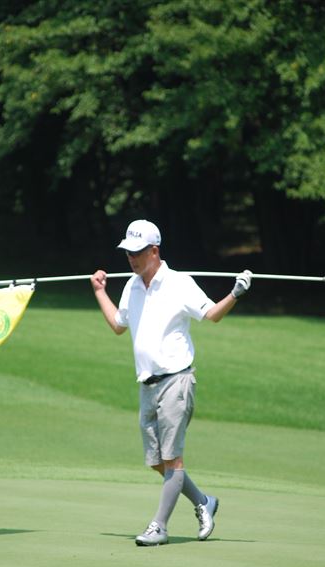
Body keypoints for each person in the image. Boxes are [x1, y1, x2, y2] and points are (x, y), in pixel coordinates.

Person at [91, 220, 252, 546]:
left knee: (173, 461)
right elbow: (119, 325)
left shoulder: (180, 283)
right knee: (158, 462)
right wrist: (99, 292)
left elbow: (212, 315)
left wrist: (236, 293)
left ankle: (159, 527)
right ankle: (204, 501)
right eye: (128, 253)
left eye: (137, 252)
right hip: (146, 385)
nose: (131, 259)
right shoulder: (132, 286)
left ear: (154, 251)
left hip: (177, 381)